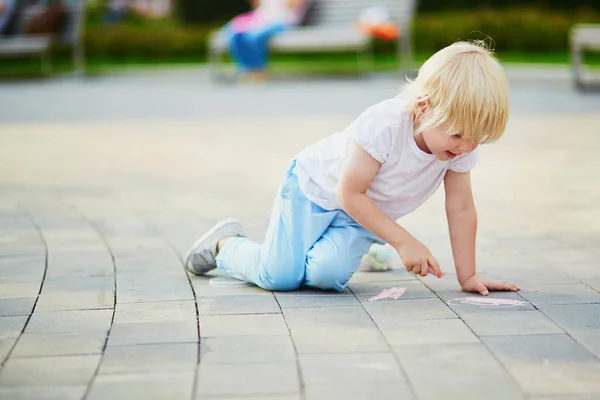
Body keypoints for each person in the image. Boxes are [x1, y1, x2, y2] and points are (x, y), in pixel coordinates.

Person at [186, 40, 521, 296]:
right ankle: (227, 246)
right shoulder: (386, 123)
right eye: (459, 134)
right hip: (314, 191)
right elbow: (349, 193)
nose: (466, 147)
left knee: (326, 276)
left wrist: (468, 275)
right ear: (423, 108)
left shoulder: (457, 149)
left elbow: (461, 209)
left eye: (477, 138)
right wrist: (404, 242)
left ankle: (364, 253)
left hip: (362, 215)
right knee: (280, 276)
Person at [224, 0, 310, 81]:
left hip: (283, 21)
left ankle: (258, 70)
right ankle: (247, 69)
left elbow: (292, 8)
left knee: (254, 37)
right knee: (237, 34)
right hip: (261, 19)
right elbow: (258, 6)